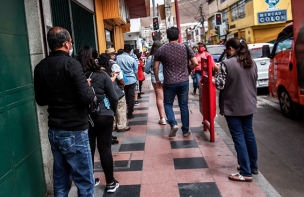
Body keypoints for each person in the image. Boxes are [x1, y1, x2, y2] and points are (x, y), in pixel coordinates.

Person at [34, 27, 95, 196]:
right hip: (75, 130)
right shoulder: (72, 64)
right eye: (71, 43)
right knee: (84, 183)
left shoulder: (40, 67)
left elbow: (41, 100)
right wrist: (88, 86)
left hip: (54, 130)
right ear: (66, 44)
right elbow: (87, 98)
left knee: (60, 182)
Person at [214, 38, 258, 182]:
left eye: (227, 49)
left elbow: (219, 85)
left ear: (231, 49)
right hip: (249, 104)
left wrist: (216, 72)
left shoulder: (226, 64)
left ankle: (245, 172)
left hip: (233, 106)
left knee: (238, 137)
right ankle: (252, 166)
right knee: (249, 134)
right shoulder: (252, 62)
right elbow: (254, 79)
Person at [77, 47, 120, 192]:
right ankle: (110, 183)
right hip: (104, 115)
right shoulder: (102, 75)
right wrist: (112, 112)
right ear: (95, 59)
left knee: (88, 150)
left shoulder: (77, 75)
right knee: (105, 149)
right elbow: (114, 97)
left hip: (85, 117)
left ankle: (91, 180)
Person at [154, 27, 198, 137]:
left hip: (169, 82)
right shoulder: (185, 47)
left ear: (167, 36)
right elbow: (195, 63)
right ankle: (185, 130)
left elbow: (155, 67)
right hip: (183, 81)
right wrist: (187, 69)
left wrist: (157, 79)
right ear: (178, 36)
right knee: (184, 105)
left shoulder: (161, 49)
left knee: (168, 104)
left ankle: (173, 124)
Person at [105, 48, 130, 132]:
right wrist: (123, 84)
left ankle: (114, 125)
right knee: (121, 106)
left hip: (108, 89)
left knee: (113, 107)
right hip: (118, 89)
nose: (115, 56)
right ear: (111, 56)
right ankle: (121, 125)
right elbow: (120, 78)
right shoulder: (114, 65)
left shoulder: (104, 64)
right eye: (113, 54)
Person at [145, 41, 166, 125]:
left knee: (159, 98)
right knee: (167, 97)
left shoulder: (151, 57)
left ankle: (162, 118)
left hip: (156, 79)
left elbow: (146, 70)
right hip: (166, 78)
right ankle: (169, 115)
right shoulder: (164, 56)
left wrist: (152, 72)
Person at [116, 44, 138, 119]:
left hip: (120, 80)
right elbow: (135, 70)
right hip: (131, 80)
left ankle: (122, 113)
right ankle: (130, 113)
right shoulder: (132, 59)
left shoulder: (117, 58)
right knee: (131, 97)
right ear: (130, 51)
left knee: (122, 96)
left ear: (123, 49)